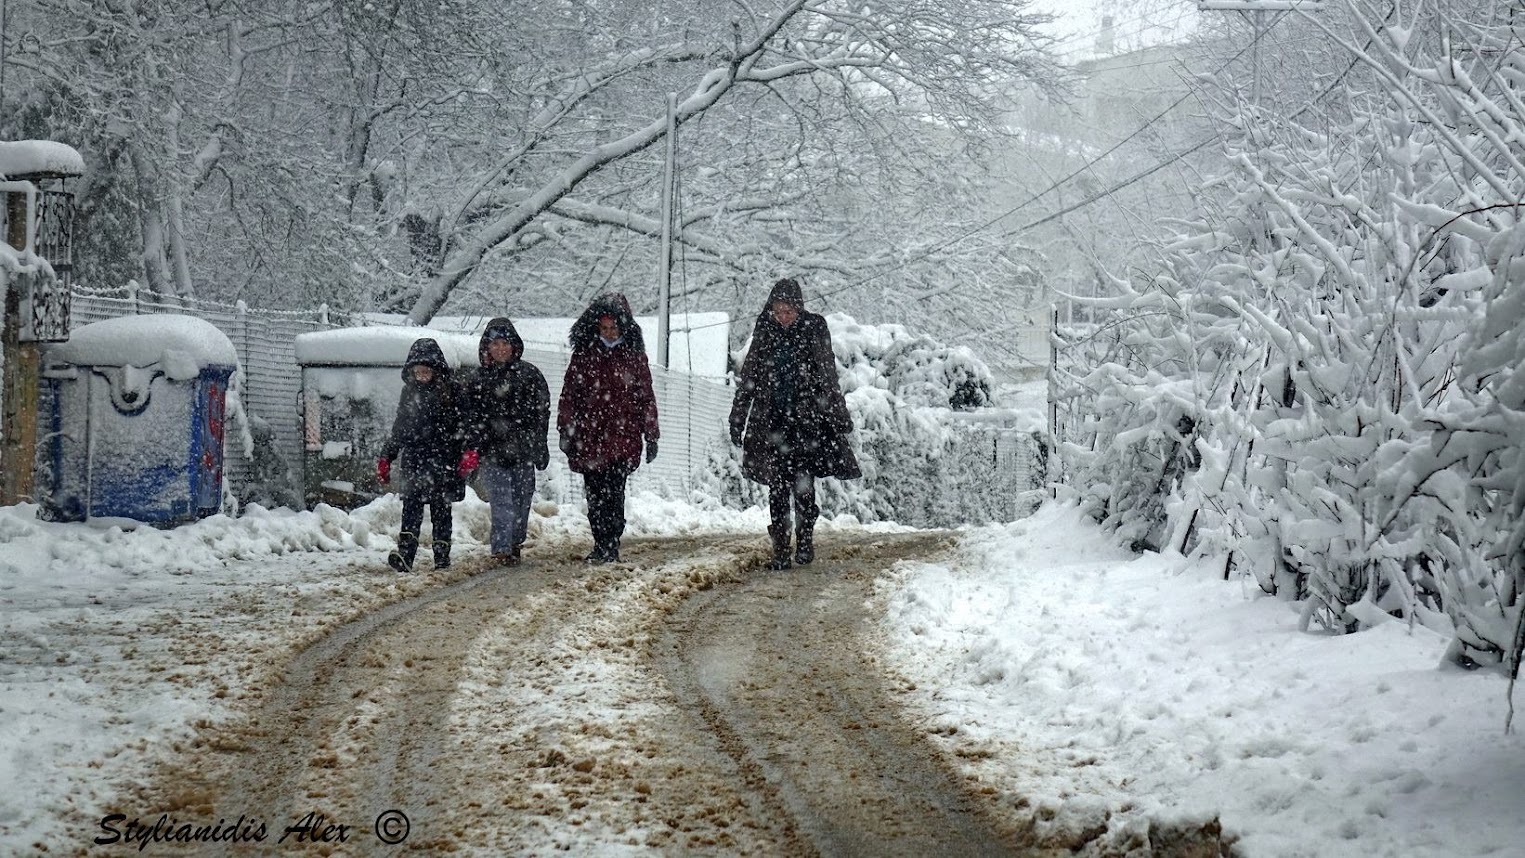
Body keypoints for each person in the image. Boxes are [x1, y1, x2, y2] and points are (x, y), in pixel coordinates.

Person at [729, 277, 860, 570]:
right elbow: (749, 377)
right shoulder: (765, 331)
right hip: (772, 423)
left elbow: (828, 376)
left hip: (806, 424)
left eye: (788, 311)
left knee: (803, 487)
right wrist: (738, 417)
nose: (783, 317)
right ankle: (780, 548)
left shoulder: (814, 329)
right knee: (777, 488)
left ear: (799, 309)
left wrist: (839, 414)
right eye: (778, 311)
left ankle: (804, 539)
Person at [557, 293, 659, 564]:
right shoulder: (584, 357)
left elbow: (645, 397)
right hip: (589, 438)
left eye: (614, 328)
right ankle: (600, 540)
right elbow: (570, 396)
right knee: (594, 494)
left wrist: (651, 434)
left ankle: (611, 542)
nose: (610, 333)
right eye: (605, 328)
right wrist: (565, 429)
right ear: (596, 328)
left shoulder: (635, 359)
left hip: (622, 438)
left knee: (614, 492)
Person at [459, 317, 550, 566]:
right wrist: (473, 448)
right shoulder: (478, 380)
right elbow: (471, 418)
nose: (500, 349)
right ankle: (501, 547)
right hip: (493, 453)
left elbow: (541, 414)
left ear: (513, 346)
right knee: (501, 502)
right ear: (487, 348)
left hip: (522, 452)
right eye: (495, 344)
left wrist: (540, 445)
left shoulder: (530, 375)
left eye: (504, 344)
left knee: (522, 502)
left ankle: (514, 542)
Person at [378, 337, 465, 573]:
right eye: (418, 370)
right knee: (411, 510)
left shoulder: (453, 392)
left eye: (427, 370)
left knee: (441, 510)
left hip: (443, 462)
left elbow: (462, 426)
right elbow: (400, 428)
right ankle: (406, 555)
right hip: (415, 462)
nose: (422, 374)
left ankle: (442, 556)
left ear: (437, 370)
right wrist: (388, 455)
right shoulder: (409, 393)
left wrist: (464, 452)